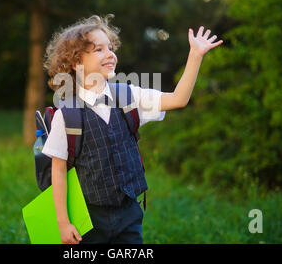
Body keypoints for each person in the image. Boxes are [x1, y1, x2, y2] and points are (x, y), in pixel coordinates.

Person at [42, 14, 223, 244]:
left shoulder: (129, 96)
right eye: (98, 49)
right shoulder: (66, 115)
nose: (110, 54)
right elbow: (58, 171)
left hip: (129, 214)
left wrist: (195, 56)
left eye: (110, 47)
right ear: (77, 63)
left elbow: (178, 99)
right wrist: (63, 223)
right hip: (87, 218)